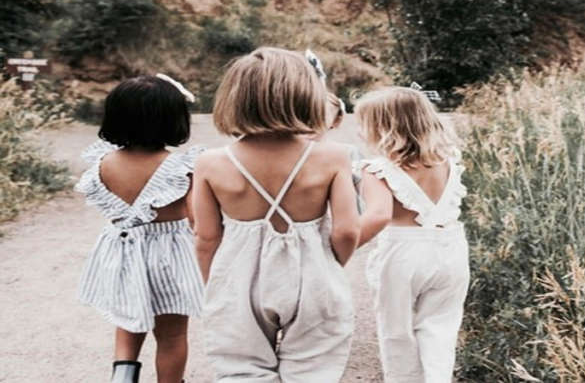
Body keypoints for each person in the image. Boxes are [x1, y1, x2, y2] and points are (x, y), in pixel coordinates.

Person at [193, 47, 360, 382]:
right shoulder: (333, 158)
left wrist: (217, 284)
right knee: (313, 369)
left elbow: (206, 238)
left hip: (238, 279)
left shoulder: (211, 163)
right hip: (314, 278)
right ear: (305, 94)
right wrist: (329, 265)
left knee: (242, 369)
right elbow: (347, 231)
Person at [75, 74, 204, 383]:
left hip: (122, 253)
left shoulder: (104, 163)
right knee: (172, 335)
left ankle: (122, 376)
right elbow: (197, 219)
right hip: (169, 258)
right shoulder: (182, 167)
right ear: (174, 119)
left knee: (128, 319)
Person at [354, 86, 470, 383]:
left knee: (398, 333)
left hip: (402, 253)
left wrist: (339, 249)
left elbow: (378, 215)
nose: (360, 132)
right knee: (440, 330)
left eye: (364, 124)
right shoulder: (448, 161)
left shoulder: (376, 170)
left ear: (384, 128)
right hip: (451, 250)